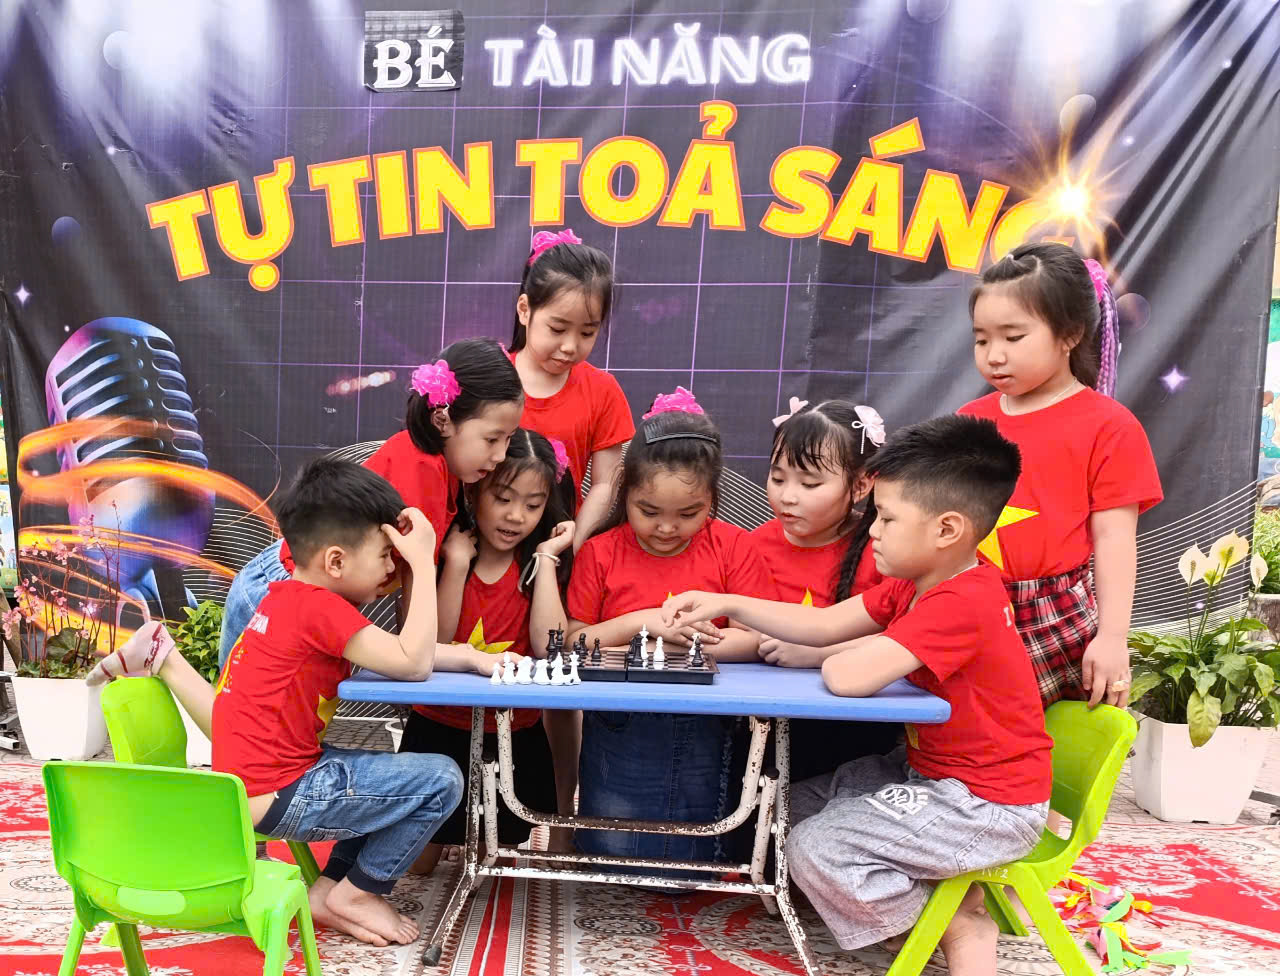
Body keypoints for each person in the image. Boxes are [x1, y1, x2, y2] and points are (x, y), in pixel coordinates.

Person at [662, 415, 1052, 974]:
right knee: (785, 811)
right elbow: (824, 624)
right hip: (930, 774)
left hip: (985, 803)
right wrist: (728, 602)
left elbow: (849, 677)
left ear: (947, 529)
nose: (872, 533)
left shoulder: (962, 600)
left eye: (887, 518)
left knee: (817, 848)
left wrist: (824, 655)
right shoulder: (916, 583)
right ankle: (934, 889)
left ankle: (953, 924)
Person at [91, 459, 468, 947]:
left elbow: (401, 652)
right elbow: (412, 662)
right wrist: (423, 560)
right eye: (384, 556)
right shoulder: (321, 609)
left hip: (251, 790)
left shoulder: (289, 597)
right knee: (441, 779)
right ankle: (358, 892)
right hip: (279, 794)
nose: (392, 567)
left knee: (377, 770)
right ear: (336, 562)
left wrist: (473, 659)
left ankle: (329, 890)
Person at [219, 338, 524, 669]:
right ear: (442, 420)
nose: (500, 455)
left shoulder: (443, 468)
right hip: (280, 589)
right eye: (491, 439)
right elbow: (417, 642)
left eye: (508, 439)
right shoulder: (423, 470)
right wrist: (470, 658)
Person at [565, 388, 775, 863]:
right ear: (625, 493)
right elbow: (575, 642)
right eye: (649, 511)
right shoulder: (600, 551)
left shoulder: (733, 547)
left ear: (712, 500)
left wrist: (691, 646)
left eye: (688, 514)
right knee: (611, 847)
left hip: (709, 716)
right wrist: (641, 623)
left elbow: (758, 639)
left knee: (697, 853)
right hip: (618, 720)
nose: (666, 528)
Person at [961, 242, 1162, 711]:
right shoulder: (968, 421)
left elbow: (1115, 539)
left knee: (1056, 739)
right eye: (982, 339)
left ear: (1070, 334)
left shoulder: (1110, 426)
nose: (994, 356)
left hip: (1058, 616)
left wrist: (1112, 638)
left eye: (1013, 337)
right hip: (971, 605)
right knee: (961, 734)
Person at [401, 428, 578, 872]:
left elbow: (548, 646)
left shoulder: (537, 564)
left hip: (511, 732)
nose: (516, 516)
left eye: (533, 505)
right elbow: (433, 641)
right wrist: (457, 565)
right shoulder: (448, 554)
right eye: (503, 498)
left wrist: (547, 557)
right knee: (417, 865)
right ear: (474, 490)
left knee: (488, 860)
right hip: (437, 726)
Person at [752, 398, 900, 782]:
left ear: (862, 484)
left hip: (857, 728)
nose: (788, 496)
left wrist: (816, 653)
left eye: (810, 483)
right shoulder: (750, 546)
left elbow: (907, 639)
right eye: (778, 478)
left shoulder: (884, 551)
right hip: (757, 722)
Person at [508, 229, 633, 543]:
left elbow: (605, 484)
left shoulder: (603, 391)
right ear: (524, 310)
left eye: (587, 333)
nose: (569, 346)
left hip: (558, 542)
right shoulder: (490, 376)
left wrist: (572, 546)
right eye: (557, 328)